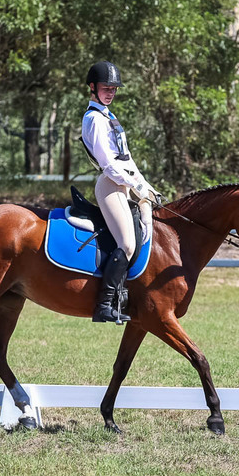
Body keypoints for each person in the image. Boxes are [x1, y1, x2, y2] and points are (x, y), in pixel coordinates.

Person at [80, 61, 161, 323]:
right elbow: (108, 164)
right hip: (110, 185)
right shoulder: (94, 119)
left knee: (140, 234)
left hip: (122, 184)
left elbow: (126, 158)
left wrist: (145, 185)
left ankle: (125, 294)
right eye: (106, 88)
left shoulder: (109, 116)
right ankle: (104, 305)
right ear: (93, 87)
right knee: (126, 243)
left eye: (114, 89)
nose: (111, 93)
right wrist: (135, 186)